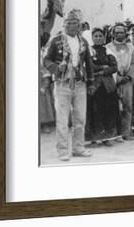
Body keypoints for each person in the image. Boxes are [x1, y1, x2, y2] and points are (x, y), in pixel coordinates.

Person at [43, 9, 93, 161]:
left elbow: (89, 64)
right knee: (62, 120)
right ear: (64, 24)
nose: (72, 26)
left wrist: (90, 82)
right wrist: (57, 68)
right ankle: (63, 151)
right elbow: (45, 60)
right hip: (62, 84)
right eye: (69, 23)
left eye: (75, 23)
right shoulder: (56, 40)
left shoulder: (83, 41)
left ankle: (78, 148)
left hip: (79, 84)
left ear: (79, 25)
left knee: (80, 119)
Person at [85, 28, 120, 147]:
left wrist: (102, 70)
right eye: (96, 36)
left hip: (108, 85)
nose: (98, 38)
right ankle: (94, 139)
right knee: (94, 111)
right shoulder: (88, 51)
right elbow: (89, 66)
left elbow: (114, 67)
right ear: (92, 38)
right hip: (94, 86)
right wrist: (103, 67)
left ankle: (107, 138)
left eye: (100, 36)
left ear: (104, 38)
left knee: (108, 111)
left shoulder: (108, 51)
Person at [106, 23, 134, 142]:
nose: (119, 34)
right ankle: (114, 133)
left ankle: (126, 131)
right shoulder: (108, 47)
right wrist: (117, 77)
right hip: (114, 79)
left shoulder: (130, 47)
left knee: (128, 106)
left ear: (125, 34)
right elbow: (109, 64)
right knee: (114, 106)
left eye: (122, 32)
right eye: (117, 32)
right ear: (113, 34)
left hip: (127, 80)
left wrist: (129, 76)